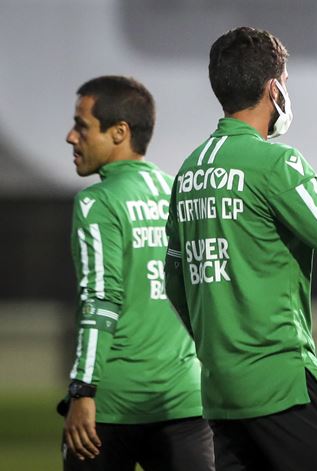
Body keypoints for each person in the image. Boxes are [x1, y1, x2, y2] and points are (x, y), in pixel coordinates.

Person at [163, 26, 317, 471]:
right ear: (274, 89)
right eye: (285, 82)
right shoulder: (278, 163)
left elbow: (174, 281)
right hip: (281, 383)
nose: (287, 90)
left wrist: (219, 344)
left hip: (221, 392)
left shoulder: (189, 170)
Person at [60, 75, 213, 470]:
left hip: (111, 409)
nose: (70, 137)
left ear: (119, 133)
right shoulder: (177, 191)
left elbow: (100, 301)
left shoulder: (97, 203)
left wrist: (82, 391)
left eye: (81, 126)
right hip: (187, 401)